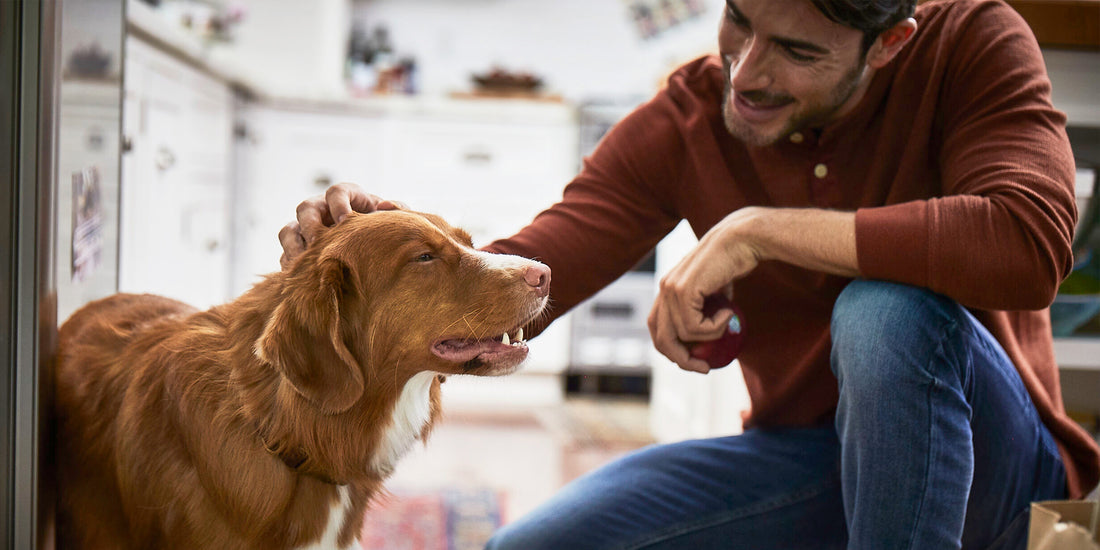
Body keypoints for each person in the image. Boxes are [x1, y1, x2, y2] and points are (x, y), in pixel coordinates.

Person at [281, 0, 1100, 547]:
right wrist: (382, 259)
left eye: (795, 51)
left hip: (993, 473)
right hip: (811, 458)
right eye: (739, 21)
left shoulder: (972, 45)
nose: (745, 73)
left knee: (883, 311)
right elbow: (540, 267)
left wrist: (762, 232)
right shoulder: (685, 118)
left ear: (889, 44)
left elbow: (1028, 243)